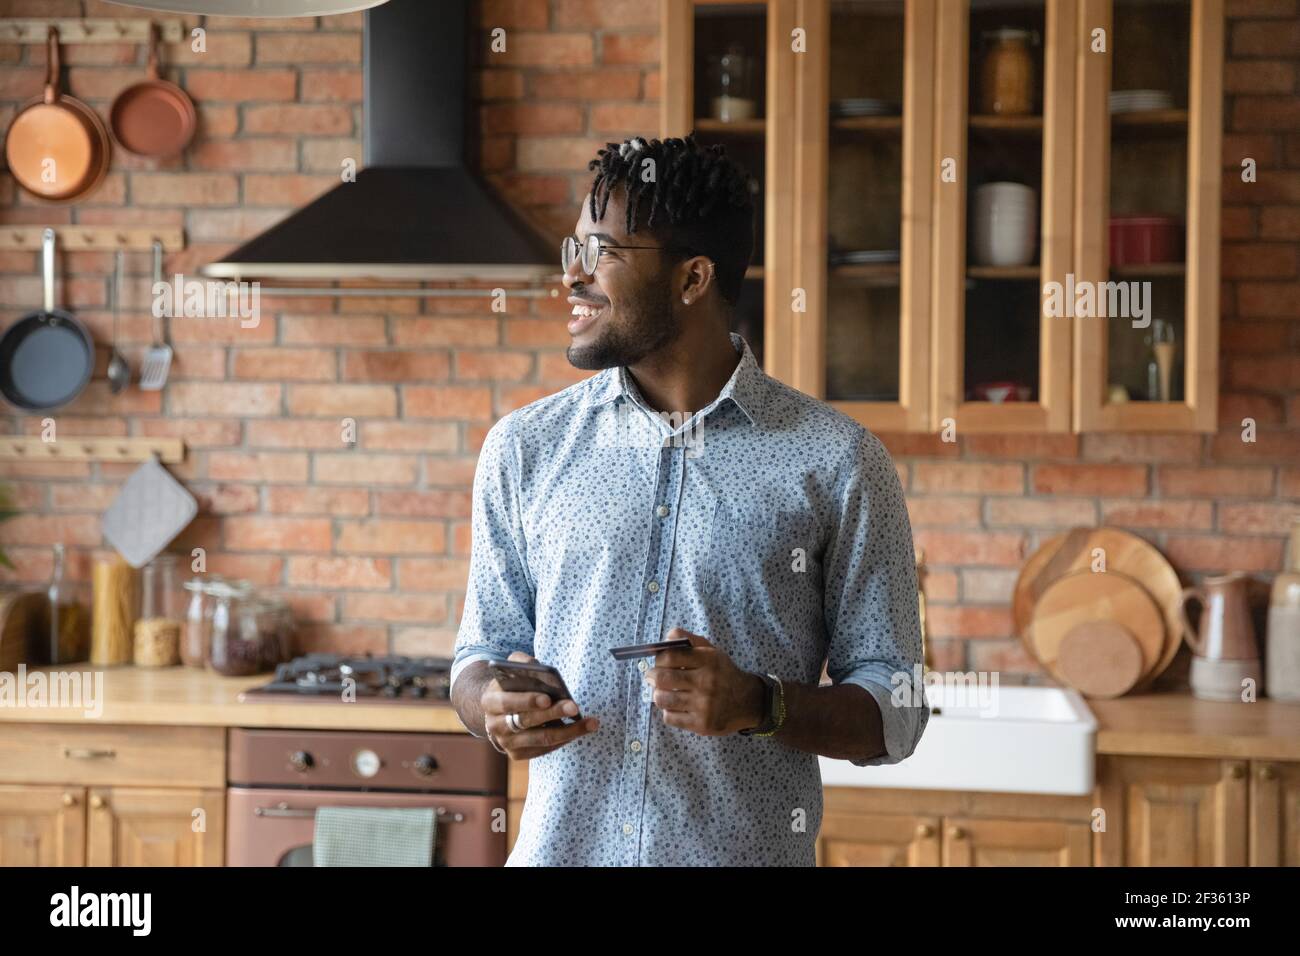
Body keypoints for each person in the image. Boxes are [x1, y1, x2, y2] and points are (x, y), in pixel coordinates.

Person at [451, 133, 928, 866]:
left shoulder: (839, 461)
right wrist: (491, 704)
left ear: (693, 277)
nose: (573, 277)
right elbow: (476, 657)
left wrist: (758, 705)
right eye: (573, 248)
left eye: (602, 252)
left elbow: (896, 710)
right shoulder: (523, 449)